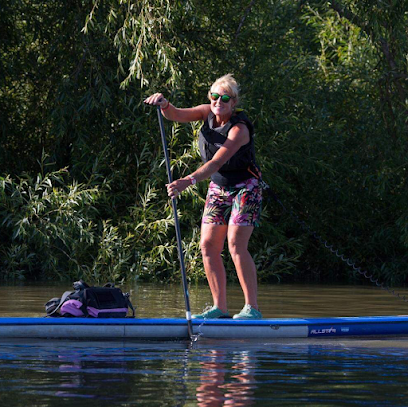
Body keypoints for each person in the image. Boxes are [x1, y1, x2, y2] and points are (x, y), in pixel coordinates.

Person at [144, 74, 262, 319]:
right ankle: (219, 308)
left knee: (236, 245)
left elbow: (217, 162)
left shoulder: (239, 129)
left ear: (233, 103)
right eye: (214, 96)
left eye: (225, 98)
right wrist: (164, 104)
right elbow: (176, 114)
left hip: (246, 187)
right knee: (207, 246)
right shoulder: (206, 112)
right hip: (219, 187)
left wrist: (188, 181)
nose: (218, 101)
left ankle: (252, 309)